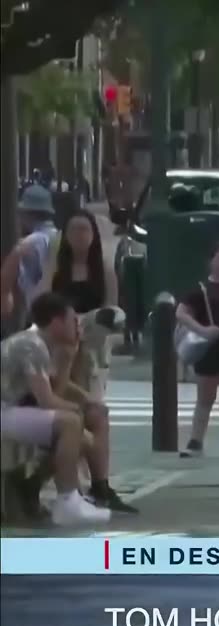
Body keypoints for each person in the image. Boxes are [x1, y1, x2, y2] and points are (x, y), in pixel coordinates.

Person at [0, 293, 112, 525]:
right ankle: (68, 501)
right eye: (73, 320)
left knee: (82, 437)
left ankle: (32, 490)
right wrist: (79, 411)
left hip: (8, 410)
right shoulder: (31, 345)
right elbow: (48, 401)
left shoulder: (40, 343)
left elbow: (55, 391)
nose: (78, 325)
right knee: (70, 423)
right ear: (56, 322)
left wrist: (70, 358)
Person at [35, 209, 119, 402]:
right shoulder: (56, 265)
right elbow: (41, 301)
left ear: (93, 235)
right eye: (73, 230)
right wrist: (51, 271)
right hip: (60, 332)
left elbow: (111, 306)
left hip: (92, 332)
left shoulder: (103, 268)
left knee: (88, 373)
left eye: (84, 230)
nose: (79, 235)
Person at [177, 243, 219, 458]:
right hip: (208, 349)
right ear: (211, 261)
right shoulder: (200, 289)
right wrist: (203, 330)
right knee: (205, 398)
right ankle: (196, 440)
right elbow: (181, 313)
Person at [0, 185, 59, 331]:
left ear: (27, 215)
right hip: (60, 312)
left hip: (39, 317)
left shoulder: (28, 244)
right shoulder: (60, 235)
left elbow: (7, 283)